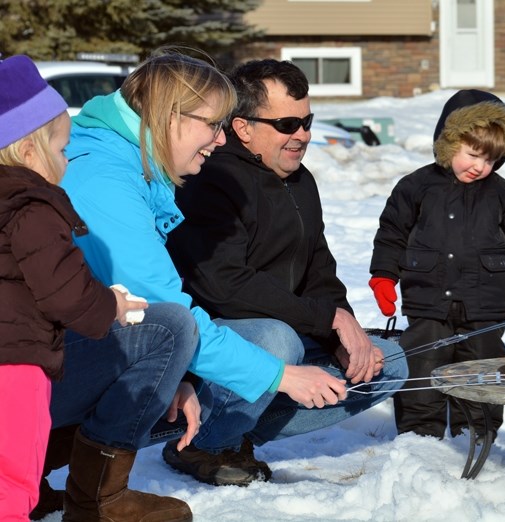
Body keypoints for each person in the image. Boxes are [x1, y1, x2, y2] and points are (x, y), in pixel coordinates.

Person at [51, 48, 353, 518]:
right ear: (171, 116)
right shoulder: (106, 178)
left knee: (173, 334)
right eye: (212, 125)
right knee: (175, 327)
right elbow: (159, 310)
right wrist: (281, 377)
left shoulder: (131, 163)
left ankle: (50, 480)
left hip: (55, 351)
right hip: (23, 368)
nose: (218, 140)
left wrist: (172, 371)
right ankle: (96, 500)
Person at [163, 59, 408, 486]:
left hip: (290, 334)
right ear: (242, 127)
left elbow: (319, 270)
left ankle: (235, 433)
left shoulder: (299, 180)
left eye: (307, 121)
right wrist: (325, 319)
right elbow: (223, 285)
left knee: (389, 363)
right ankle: (201, 441)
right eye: (288, 123)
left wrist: (344, 336)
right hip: (212, 346)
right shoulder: (211, 178)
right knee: (278, 341)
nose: (303, 135)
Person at [0, 55, 149, 521]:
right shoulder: (32, 209)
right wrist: (113, 305)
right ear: (29, 151)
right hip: (16, 365)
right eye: (62, 150)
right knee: (13, 475)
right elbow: (64, 290)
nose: (67, 161)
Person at [369, 89, 505, 440]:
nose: (479, 166)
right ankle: (420, 435)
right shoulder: (415, 187)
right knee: (422, 365)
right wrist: (383, 277)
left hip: (485, 302)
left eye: (490, 160)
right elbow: (392, 233)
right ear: (448, 143)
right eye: (473, 154)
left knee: (480, 366)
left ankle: (477, 432)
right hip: (429, 299)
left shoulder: (503, 194)